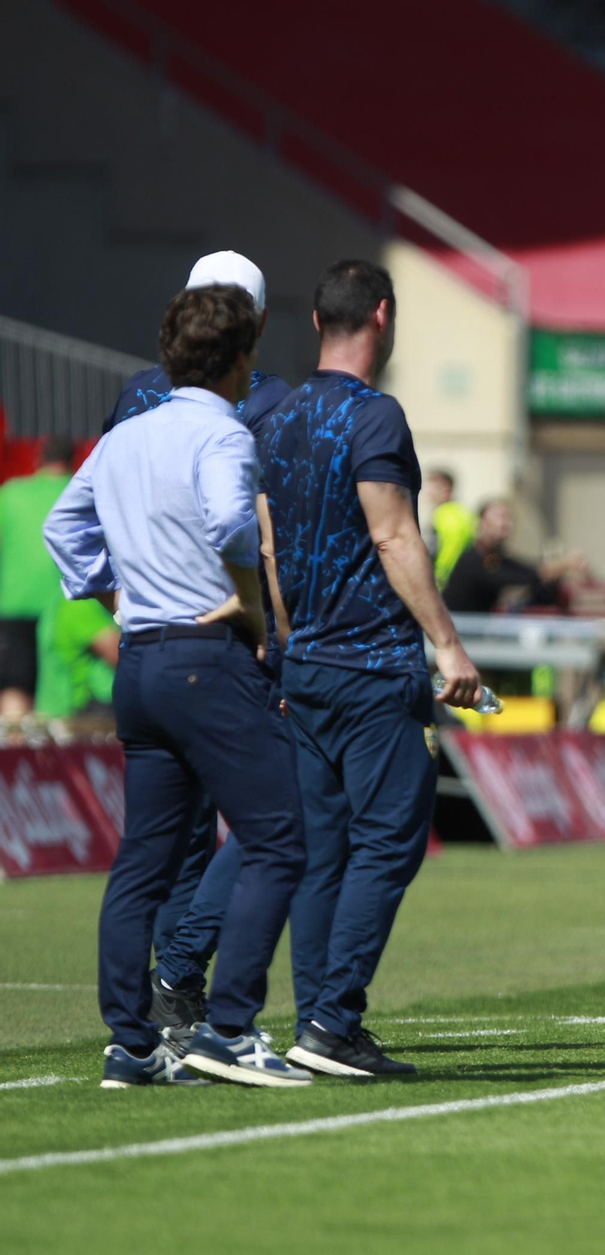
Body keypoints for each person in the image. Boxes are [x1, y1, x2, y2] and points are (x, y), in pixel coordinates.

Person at [43, 284, 309, 1088]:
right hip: (207, 658)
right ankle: (228, 1028)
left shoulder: (125, 435)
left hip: (141, 661)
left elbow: (64, 526)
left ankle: (133, 1043)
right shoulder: (223, 430)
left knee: (144, 861)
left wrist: (119, 599)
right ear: (239, 359)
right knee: (278, 837)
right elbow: (231, 520)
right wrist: (249, 601)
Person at [259, 260, 484, 1078]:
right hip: (373, 662)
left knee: (323, 852)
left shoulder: (279, 416)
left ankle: (314, 1019)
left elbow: (270, 549)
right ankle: (332, 1020)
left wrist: (290, 643)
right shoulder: (375, 414)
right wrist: (447, 644)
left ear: (320, 320)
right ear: (383, 316)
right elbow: (393, 534)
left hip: (307, 662)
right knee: (389, 839)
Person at [101, 251, 289, 1050]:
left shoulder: (135, 397)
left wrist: (121, 603)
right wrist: (261, 616)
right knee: (279, 824)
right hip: (224, 641)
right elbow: (257, 530)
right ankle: (199, 996)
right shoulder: (263, 400)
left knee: (157, 845)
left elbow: (84, 519)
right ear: (258, 324)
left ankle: (148, 1020)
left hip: (144, 642)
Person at [0, 436, 76, 716]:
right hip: (65, 609)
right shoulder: (78, 492)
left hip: (15, 607)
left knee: (15, 687)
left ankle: (13, 745)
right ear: (72, 462)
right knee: (60, 692)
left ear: (38, 460)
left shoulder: (11, 493)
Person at [441, 499, 587, 614]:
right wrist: (567, 564)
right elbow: (527, 575)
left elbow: (528, 569)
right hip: (459, 630)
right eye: (499, 517)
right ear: (481, 522)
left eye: (508, 518)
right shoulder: (474, 560)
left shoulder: (495, 557)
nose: (505, 523)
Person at [423, 469, 474, 588]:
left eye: (434, 488)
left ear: (446, 489)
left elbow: (453, 546)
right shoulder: (460, 512)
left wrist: (440, 575)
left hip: (445, 581)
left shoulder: (446, 513)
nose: (429, 492)